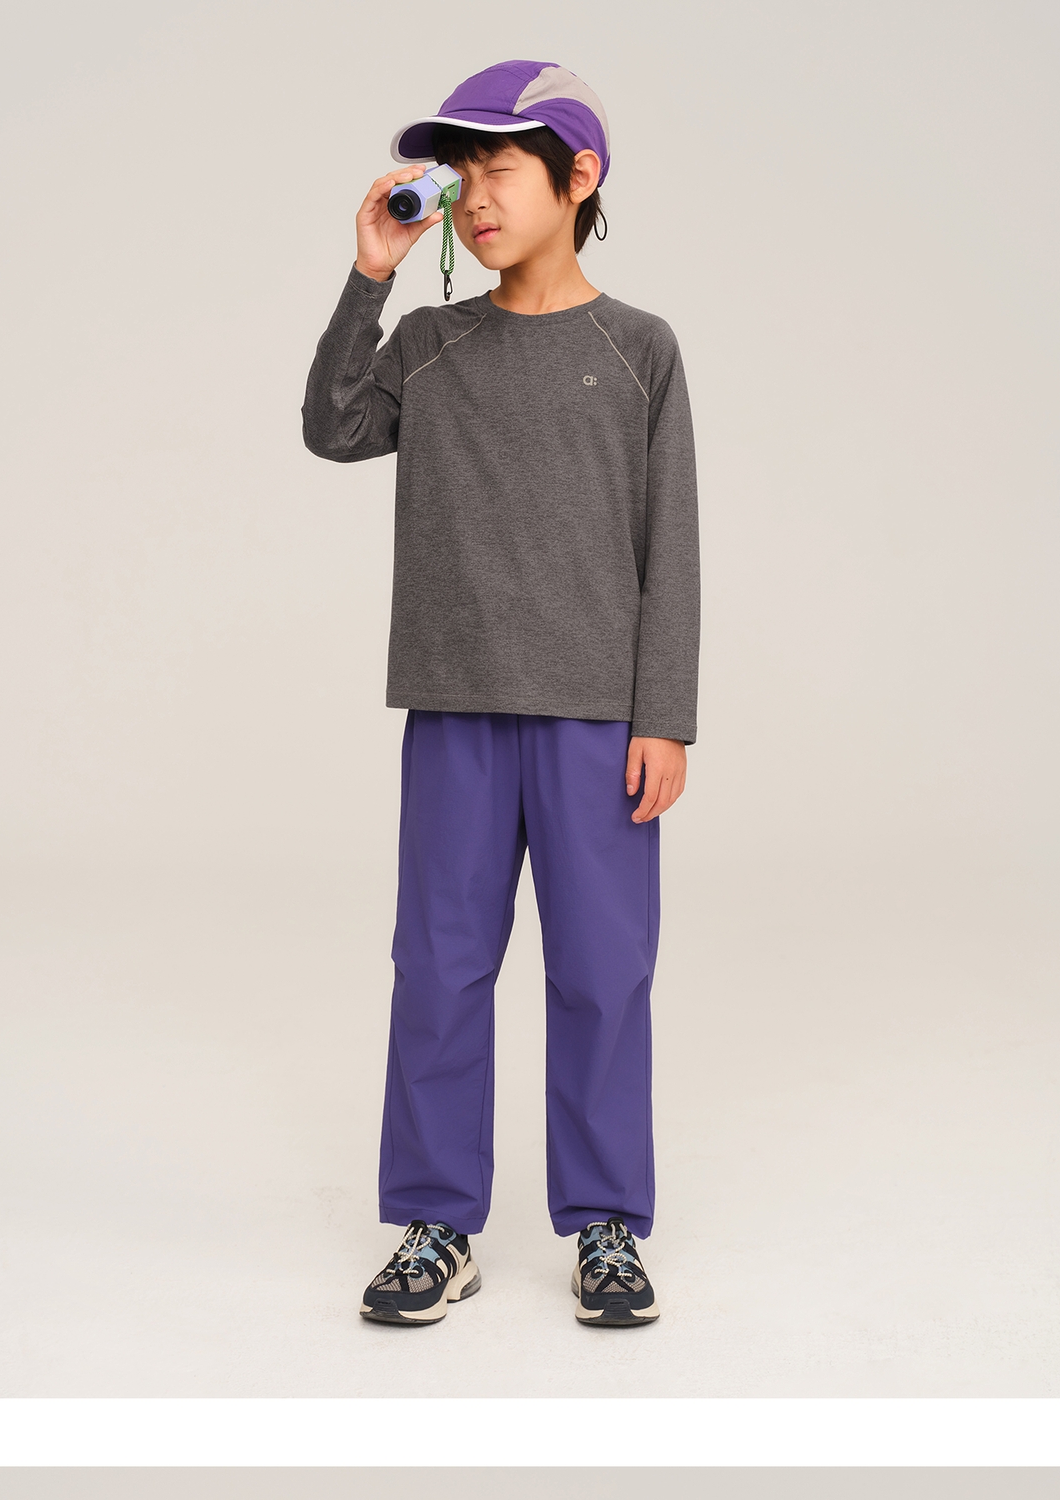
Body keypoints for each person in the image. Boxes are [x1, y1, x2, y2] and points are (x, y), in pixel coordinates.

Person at [301, 60, 700, 1327]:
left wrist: (664, 715)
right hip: (456, 708)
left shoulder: (639, 350)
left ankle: (607, 1226)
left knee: (602, 974)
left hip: (596, 721)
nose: (474, 197)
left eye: (501, 170)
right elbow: (331, 426)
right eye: (459, 174)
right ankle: (436, 1221)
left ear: (579, 178)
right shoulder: (431, 343)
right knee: (438, 966)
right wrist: (370, 274)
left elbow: (672, 547)